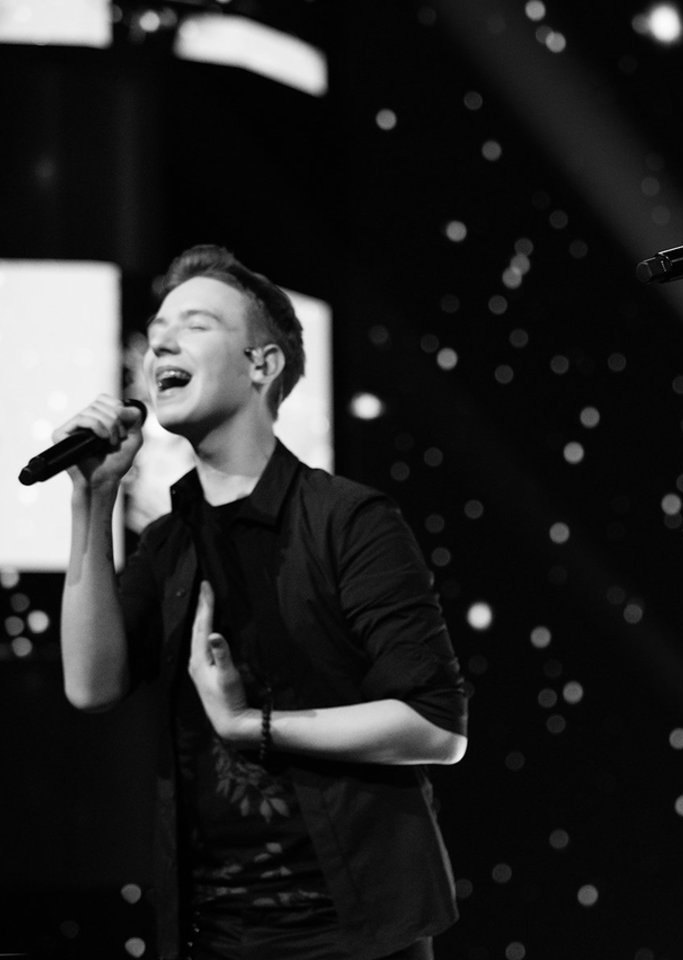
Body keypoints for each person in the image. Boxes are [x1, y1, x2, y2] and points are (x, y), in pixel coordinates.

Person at [56, 245, 467, 960]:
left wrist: (252, 726)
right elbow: (91, 685)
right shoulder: (168, 543)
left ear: (263, 364)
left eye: (196, 325)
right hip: (212, 932)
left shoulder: (348, 521)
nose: (161, 345)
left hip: (355, 935)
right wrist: (92, 499)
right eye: (157, 332)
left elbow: (435, 727)